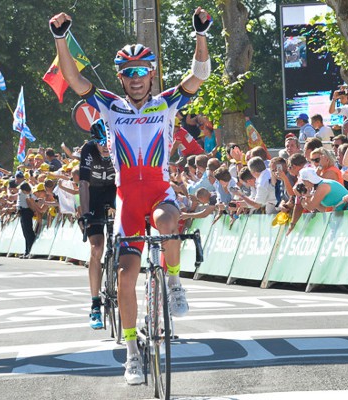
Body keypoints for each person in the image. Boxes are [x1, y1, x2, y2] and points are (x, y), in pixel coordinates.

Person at [49, 6, 211, 385]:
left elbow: (199, 74)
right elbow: (73, 78)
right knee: (125, 277)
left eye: (142, 72)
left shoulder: (167, 102)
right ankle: (132, 352)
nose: (136, 79)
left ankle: (173, 282)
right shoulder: (109, 104)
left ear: (151, 74)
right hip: (127, 197)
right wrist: (60, 39)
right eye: (128, 73)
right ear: (121, 78)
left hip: (158, 189)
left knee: (170, 222)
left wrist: (201, 34)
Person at [78, 119, 116, 330]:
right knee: (97, 248)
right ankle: (94, 304)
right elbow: (83, 183)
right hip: (93, 195)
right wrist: (85, 213)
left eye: (107, 141)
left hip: (113, 191)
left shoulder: (119, 146)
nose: (103, 146)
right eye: (99, 141)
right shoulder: (89, 150)